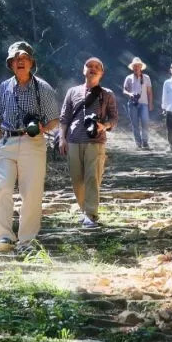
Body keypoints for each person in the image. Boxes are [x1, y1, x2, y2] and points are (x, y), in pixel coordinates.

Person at [0, 41, 60, 253]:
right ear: (10, 64)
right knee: (3, 188)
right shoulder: (4, 87)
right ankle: (4, 237)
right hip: (7, 142)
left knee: (31, 193)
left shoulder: (43, 88)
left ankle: (27, 241)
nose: (20, 62)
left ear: (31, 62)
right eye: (16, 59)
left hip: (33, 143)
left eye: (24, 58)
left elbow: (54, 120)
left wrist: (41, 127)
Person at [59, 57, 119, 228]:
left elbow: (114, 118)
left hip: (95, 141)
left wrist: (104, 126)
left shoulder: (107, 94)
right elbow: (64, 117)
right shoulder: (72, 92)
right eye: (89, 66)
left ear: (101, 73)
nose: (92, 69)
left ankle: (91, 214)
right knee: (77, 180)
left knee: (92, 177)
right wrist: (62, 138)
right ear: (83, 70)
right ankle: (85, 210)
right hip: (73, 140)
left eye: (96, 67)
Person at [122, 56, 153, 149]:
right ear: (133, 67)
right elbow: (124, 90)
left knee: (145, 123)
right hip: (132, 104)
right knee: (135, 124)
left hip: (144, 104)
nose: (136, 67)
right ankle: (138, 143)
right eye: (135, 66)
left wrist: (150, 104)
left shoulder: (146, 77)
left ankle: (145, 142)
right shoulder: (128, 78)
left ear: (140, 67)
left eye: (138, 66)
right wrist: (130, 94)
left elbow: (150, 92)